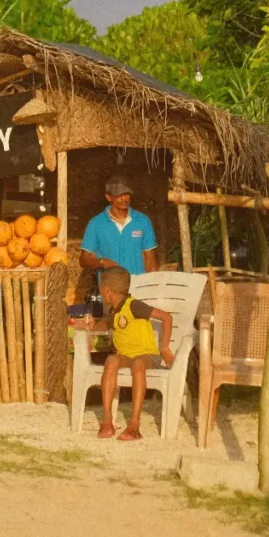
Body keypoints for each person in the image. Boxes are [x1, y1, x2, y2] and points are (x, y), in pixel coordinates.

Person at [96, 266, 174, 441]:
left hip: (146, 355)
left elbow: (166, 317)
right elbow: (104, 324)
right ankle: (107, 419)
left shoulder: (134, 306)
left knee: (138, 364)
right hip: (126, 356)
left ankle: (134, 424)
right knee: (111, 361)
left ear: (107, 291)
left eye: (101, 291)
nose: (101, 295)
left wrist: (164, 348)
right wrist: (91, 328)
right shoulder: (114, 310)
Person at [79, 177, 158, 276]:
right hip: (110, 288)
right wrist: (102, 262)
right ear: (108, 197)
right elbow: (83, 260)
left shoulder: (142, 221)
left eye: (127, 194)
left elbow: (150, 259)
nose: (124, 199)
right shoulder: (96, 224)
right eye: (119, 195)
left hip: (137, 286)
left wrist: (154, 286)